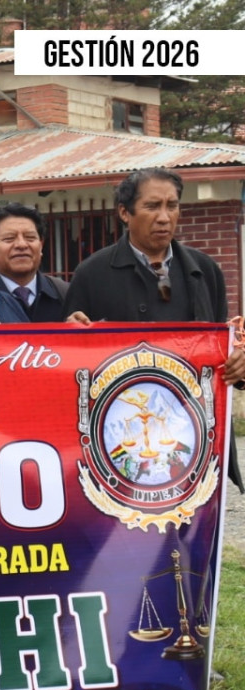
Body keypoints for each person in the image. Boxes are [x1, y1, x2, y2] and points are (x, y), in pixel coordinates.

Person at [64, 167, 245, 487]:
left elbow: (224, 345)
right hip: (123, 432)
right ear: (124, 212)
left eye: (172, 205)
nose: (164, 217)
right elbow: (71, 361)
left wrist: (239, 362)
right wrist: (72, 334)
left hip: (195, 428)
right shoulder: (91, 274)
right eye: (152, 206)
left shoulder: (205, 270)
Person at [0, 203, 69, 322]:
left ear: (41, 246)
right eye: (9, 238)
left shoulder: (65, 294)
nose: (21, 245)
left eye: (30, 238)